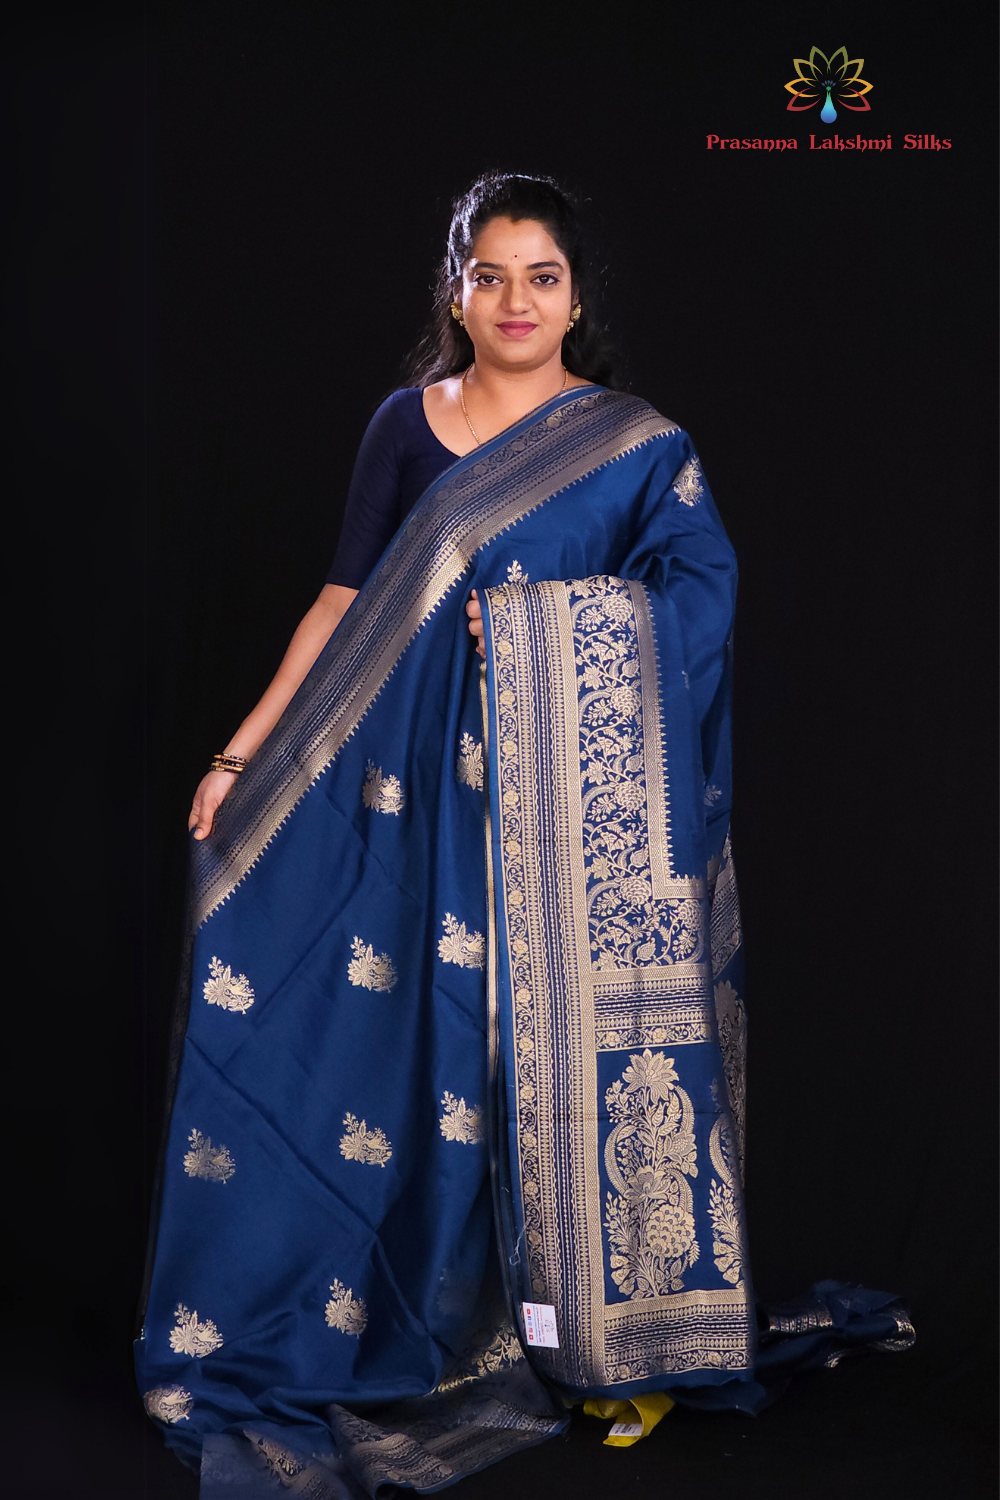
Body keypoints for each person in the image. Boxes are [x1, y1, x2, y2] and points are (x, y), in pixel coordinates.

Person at [139, 173, 913, 1497]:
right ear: (457, 291)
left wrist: (556, 629)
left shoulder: (634, 446)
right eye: (489, 276)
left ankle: (618, 1351)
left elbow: (700, 597)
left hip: (575, 829)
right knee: (410, 1048)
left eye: (541, 278)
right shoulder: (404, 425)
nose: (515, 301)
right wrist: (242, 751)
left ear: (574, 297)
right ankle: (423, 1326)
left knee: (559, 1065)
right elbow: (340, 601)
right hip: (410, 802)